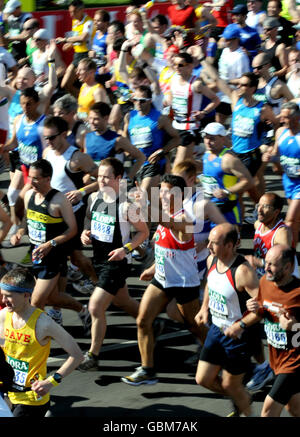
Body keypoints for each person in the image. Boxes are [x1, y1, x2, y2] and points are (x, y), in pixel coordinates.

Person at [122, 174, 208, 385]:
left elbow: (162, 220)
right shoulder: (165, 215)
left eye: (166, 191)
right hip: (162, 279)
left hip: (184, 282)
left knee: (195, 325)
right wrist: (153, 268)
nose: (162, 194)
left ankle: (219, 356)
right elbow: (165, 247)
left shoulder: (184, 219)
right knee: (142, 320)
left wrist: (141, 202)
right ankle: (147, 370)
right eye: (160, 190)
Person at [77, 157, 149, 371]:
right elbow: (89, 220)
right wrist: (85, 234)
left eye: (107, 176)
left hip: (117, 262)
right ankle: (151, 321)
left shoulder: (126, 204)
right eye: (99, 176)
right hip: (99, 260)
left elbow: (143, 232)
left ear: (119, 178)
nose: (102, 180)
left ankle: (93, 355)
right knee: (122, 300)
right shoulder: (93, 198)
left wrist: (125, 249)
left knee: (95, 306)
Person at [0, 267, 83, 417]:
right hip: (7, 394)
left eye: (9, 296)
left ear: (26, 295)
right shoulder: (4, 315)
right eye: (2, 295)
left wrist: (51, 381)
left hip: (31, 400)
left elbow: (77, 355)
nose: (3, 300)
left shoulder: (43, 323)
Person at [195, 223, 259, 417]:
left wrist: (240, 325)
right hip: (216, 330)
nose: (208, 247)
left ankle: (247, 411)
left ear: (230, 245)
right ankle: (242, 398)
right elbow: (210, 284)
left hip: (238, 337)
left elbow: (262, 308)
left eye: (214, 243)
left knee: (230, 385)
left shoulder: (243, 272)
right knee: (203, 379)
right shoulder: (212, 260)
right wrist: (204, 308)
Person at [42, 116, 100, 296]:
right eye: (46, 138)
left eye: (52, 137)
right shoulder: (47, 153)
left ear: (64, 134)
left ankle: (98, 284)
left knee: (74, 255)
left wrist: (81, 191)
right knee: (60, 256)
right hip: (53, 215)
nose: (48, 141)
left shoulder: (77, 158)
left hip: (74, 214)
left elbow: (104, 180)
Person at [246, 245, 300, 417]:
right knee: (294, 408)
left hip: (295, 362)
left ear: (288, 267)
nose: (266, 267)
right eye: (266, 262)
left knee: (268, 410)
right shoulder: (265, 282)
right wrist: (255, 308)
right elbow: (264, 310)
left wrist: (294, 327)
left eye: (272, 264)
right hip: (277, 359)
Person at [124, 85, 180, 195]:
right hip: (136, 164)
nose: (138, 103)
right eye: (135, 100)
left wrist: (162, 151)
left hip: (154, 164)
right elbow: (124, 135)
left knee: (142, 196)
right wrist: (127, 150)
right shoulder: (129, 117)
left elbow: (177, 138)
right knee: (151, 203)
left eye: (142, 101)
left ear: (150, 101)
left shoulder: (160, 118)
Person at [168, 52, 220, 169]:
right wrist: (168, 109)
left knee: (178, 165)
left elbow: (216, 99)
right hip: (175, 126)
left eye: (181, 65)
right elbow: (170, 98)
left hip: (189, 128)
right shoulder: (173, 79)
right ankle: (215, 168)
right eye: (175, 64)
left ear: (190, 66)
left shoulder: (196, 84)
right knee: (188, 164)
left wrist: (203, 113)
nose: (177, 67)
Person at [199, 122, 254, 226]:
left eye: (212, 138)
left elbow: (249, 181)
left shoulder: (229, 159)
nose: (208, 141)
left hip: (227, 209)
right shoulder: (207, 153)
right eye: (205, 137)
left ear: (223, 139)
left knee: (229, 240)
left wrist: (226, 191)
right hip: (210, 207)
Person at [265, 102, 300, 247]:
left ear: (297, 118)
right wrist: (269, 155)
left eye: (285, 117)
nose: (281, 120)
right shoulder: (280, 132)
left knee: (290, 219)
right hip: (288, 181)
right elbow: (276, 154)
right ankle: (293, 249)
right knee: (296, 220)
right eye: (282, 116)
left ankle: (287, 253)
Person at [84, 101, 146, 174]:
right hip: (95, 182)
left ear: (106, 118)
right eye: (90, 118)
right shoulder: (87, 137)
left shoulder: (118, 139)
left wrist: (129, 179)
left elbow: (141, 157)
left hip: (115, 183)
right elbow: (86, 162)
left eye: (96, 119)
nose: (91, 122)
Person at [57, 0, 94, 96]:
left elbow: (83, 38)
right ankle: (81, 100)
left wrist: (65, 40)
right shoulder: (75, 21)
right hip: (77, 56)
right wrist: (70, 45)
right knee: (64, 84)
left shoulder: (88, 22)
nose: (71, 15)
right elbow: (77, 39)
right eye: (70, 12)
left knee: (86, 85)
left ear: (81, 10)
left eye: (74, 12)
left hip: (86, 55)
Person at [215, 24, 250, 125]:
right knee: (219, 121)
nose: (225, 41)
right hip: (221, 94)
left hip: (234, 96)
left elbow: (243, 80)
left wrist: (225, 82)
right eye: (224, 38)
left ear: (236, 39)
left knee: (235, 124)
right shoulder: (225, 51)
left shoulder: (241, 57)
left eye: (228, 39)